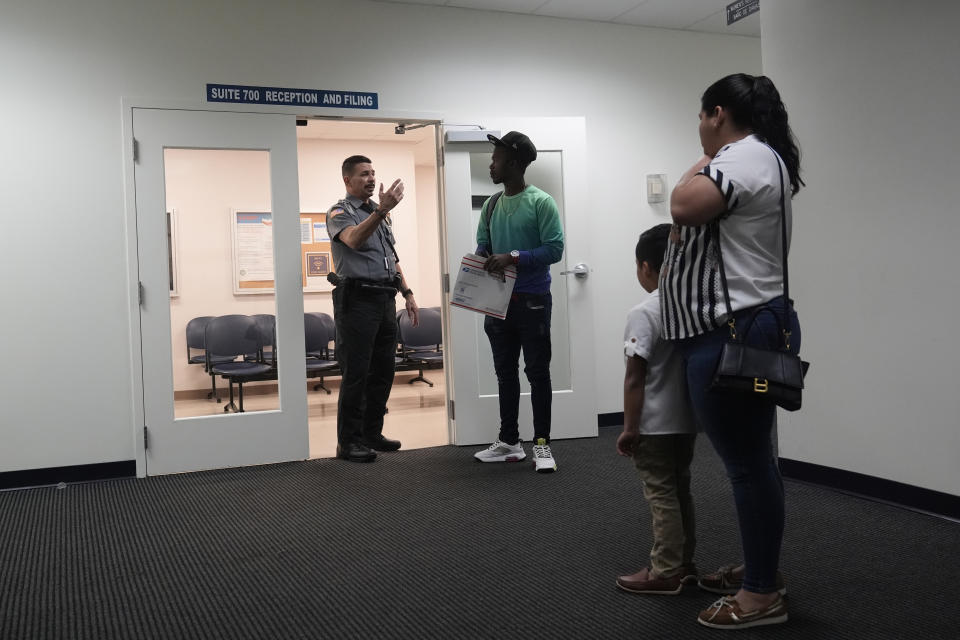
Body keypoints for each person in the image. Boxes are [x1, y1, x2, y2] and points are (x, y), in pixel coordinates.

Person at [663, 73, 803, 629]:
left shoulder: (744, 156)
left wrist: (702, 159)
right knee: (753, 461)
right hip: (738, 326)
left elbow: (682, 205)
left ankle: (761, 594)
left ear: (717, 113)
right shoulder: (758, 157)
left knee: (746, 465)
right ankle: (761, 571)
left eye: (701, 118)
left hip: (736, 330)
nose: (699, 130)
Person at [472, 131, 564, 472]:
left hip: (533, 301)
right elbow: (482, 243)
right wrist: (482, 258)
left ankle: (542, 445)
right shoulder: (492, 204)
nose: (491, 164)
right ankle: (510, 441)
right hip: (497, 302)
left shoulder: (541, 202)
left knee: (537, 373)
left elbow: (553, 250)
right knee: (504, 373)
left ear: (512, 163)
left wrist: (512, 257)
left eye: (495, 159)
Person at [615, 224, 699, 595]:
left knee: (661, 495)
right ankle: (684, 564)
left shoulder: (644, 312)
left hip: (654, 423)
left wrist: (629, 427)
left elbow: (635, 378)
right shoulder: (692, 307)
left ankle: (665, 570)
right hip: (687, 419)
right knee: (681, 490)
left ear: (647, 266)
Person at [326, 155, 419, 463]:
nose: (370, 178)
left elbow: (391, 259)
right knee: (356, 373)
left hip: (384, 299)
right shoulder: (340, 212)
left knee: (383, 371)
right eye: (363, 174)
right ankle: (348, 442)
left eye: (373, 173)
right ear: (347, 180)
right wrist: (381, 211)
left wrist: (407, 292)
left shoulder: (378, 215)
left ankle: (371, 433)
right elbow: (352, 240)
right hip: (356, 300)